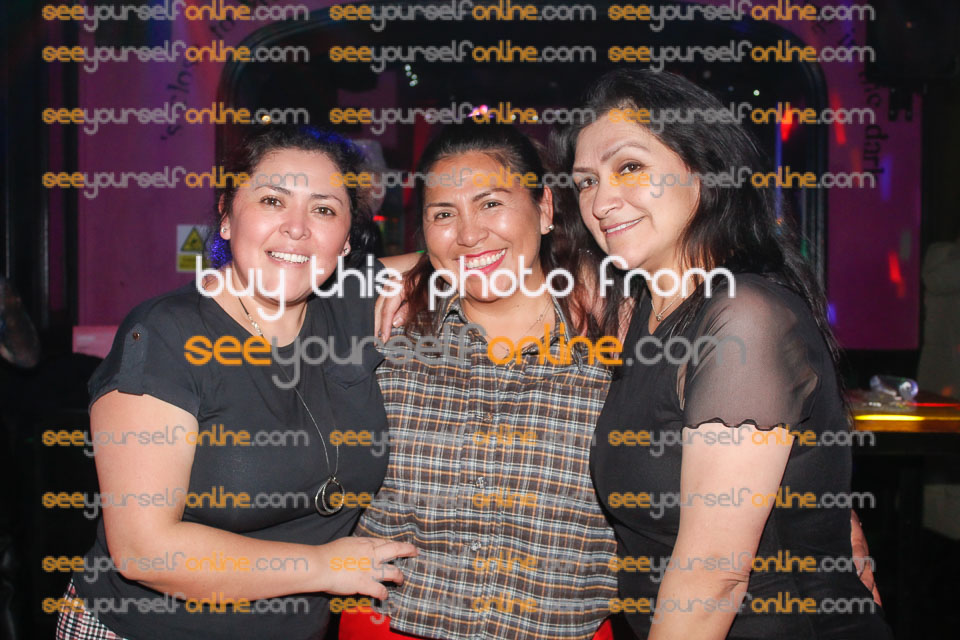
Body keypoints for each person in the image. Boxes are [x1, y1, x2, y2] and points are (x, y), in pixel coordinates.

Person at [552, 69, 893, 638]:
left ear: (705, 169)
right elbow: (496, 260)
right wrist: (405, 272)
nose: (602, 200)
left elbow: (713, 578)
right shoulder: (640, 307)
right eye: (586, 182)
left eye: (629, 167)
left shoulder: (744, 319)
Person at [57, 125, 416, 640]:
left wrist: (414, 277)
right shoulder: (165, 335)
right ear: (226, 216)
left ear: (345, 240)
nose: (297, 228)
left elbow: (468, 257)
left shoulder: (350, 307)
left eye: (323, 209)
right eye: (272, 200)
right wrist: (324, 566)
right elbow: (144, 550)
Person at [340, 124, 618, 640]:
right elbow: (289, 277)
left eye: (490, 203)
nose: (468, 234)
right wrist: (414, 269)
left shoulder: (614, 333)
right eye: (444, 214)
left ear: (546, 208)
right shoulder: (387, 330)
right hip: (394, 624)